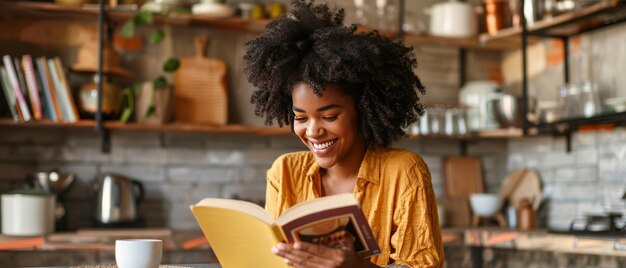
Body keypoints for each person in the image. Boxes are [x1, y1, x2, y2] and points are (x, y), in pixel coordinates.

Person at [243, 0, 443, 267]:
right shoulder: (284, 173)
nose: (313, 131)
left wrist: (357, 266)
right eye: (300, 118)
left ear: (362, 109)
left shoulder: (404, 171)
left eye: (329, 116)